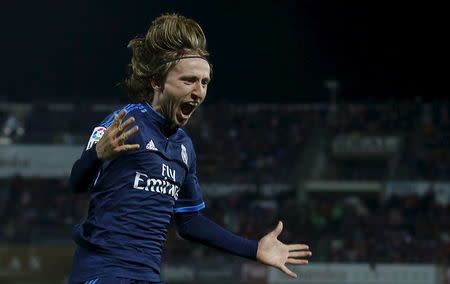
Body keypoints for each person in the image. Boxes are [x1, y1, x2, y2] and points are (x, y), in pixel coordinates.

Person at [68, 13, 311, 284]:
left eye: (204, 82)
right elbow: (77, 183)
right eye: (188, 80)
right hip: (102, 273)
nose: (199, 92)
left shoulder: (184, 147)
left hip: (146, 276)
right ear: (157, 81)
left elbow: (189, 222)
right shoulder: (125, 122)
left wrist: (253, 249)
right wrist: (97, 154)